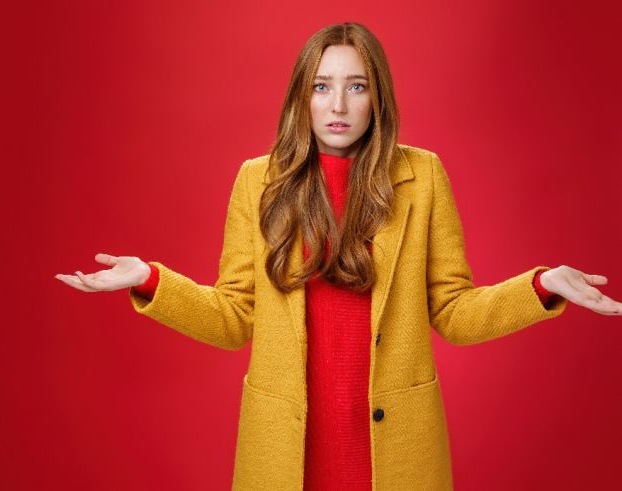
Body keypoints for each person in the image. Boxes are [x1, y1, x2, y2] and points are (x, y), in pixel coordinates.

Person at [55, 22, 621, 491]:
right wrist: (152, 280)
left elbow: (453, 311)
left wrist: (542, 285)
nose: (338, 104)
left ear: (379, 97)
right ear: (302, 94)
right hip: (284, 455)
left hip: (396, 456)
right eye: (322, 86)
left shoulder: (421, 177)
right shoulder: (259, 181)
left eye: (357, 86)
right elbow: (233, 318)